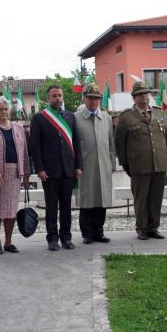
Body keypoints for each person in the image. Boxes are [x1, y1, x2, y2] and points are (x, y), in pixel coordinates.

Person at [30, 85, 83, 251]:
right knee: (51, 207)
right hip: (49, 171)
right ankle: (52, 238)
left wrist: (78, 166)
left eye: (60, 95)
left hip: (68, 169)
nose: (58, 98)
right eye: (54, 96)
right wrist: (39, 169)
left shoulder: (70, 117)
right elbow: (35, 147)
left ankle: (66, 237)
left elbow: (76, 143)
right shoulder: (39, 118)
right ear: (48, 99)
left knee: (67, 207)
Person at [115, 80, 167, 240]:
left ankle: (153, 227)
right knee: (141, 198)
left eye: (146, 93)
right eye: (139, 95)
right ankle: (142, 228)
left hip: (159, 163)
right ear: (134, 98)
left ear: (150, 95)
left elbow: (165, 138)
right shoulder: (126, 117)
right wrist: (126, 164)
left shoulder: (160, 113)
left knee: (156, 198)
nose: (143, 97)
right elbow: (119, 143)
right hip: (139, 165)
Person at [0, 97, 30, 255]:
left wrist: (26, 173)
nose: (4, 112)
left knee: (11, 210)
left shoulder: (17, 127)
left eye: (6, 109)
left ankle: (9, 242)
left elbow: (25, 152)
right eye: (1, 109)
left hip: (14, 173)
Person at [75, 83, 115, 244]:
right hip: (85, 166)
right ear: (85, 98)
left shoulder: (106, 118)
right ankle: (87, 233)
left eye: (96, 99)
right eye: (90, 98)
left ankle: (99, 231)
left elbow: (111, 143)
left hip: (103, 165)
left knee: (102, 200)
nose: (93, 101)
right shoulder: (76, 118)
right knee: (87, 200)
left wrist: (111, 164)